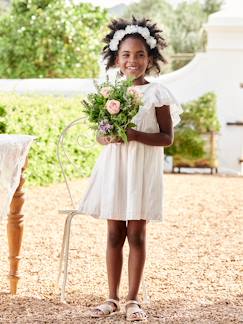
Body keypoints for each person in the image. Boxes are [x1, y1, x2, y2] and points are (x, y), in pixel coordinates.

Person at [78, 16, 182, 322]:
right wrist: (108, 135)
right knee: (113, 233)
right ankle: (111, 297)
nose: (132, 60)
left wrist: (135, 135)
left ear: (150, 58)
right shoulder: (110, 92)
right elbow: (100, 135)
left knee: (136, 233)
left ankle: (133, 300)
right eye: (126, 55)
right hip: (116, 168)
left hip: (142, 170)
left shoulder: (158, 94)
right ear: (116, 59)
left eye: (139, 55)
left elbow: (166, 138)